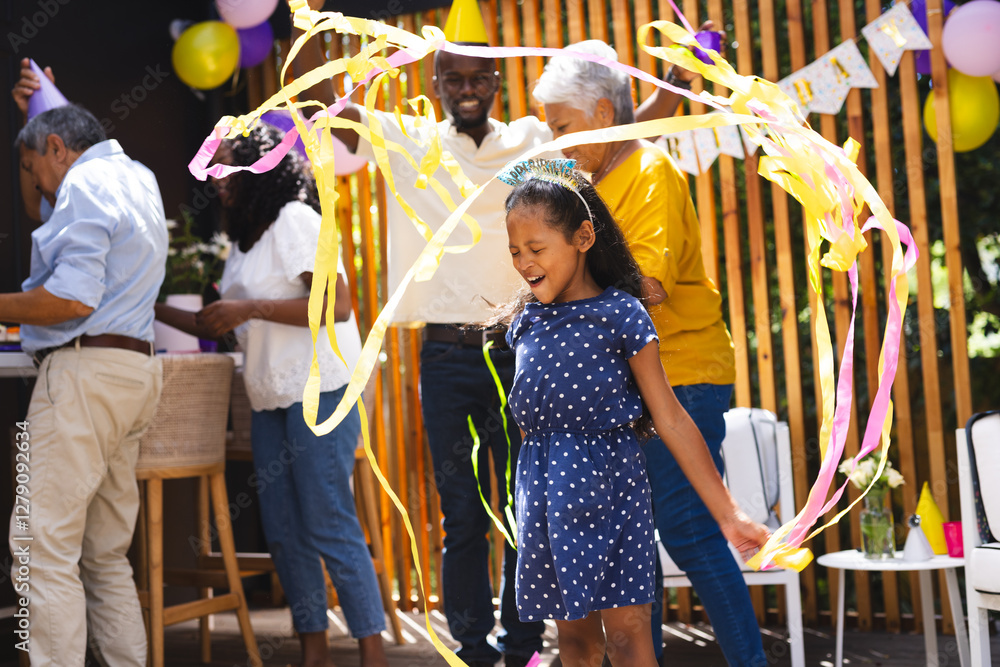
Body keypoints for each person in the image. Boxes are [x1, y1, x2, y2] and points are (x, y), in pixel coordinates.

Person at [288, 2, 701, 664]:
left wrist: (684, 77)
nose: (468, 88)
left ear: (498, 85)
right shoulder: (408, 138)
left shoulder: (535, 138)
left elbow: (624, 121)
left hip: (525, 350)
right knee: (462, 516)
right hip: (446, 353)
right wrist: (302, 28)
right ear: (436, 84)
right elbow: (328, 101)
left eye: (480, 76)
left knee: (524, 505)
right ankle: (475, 651)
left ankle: (518, 649)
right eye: (454, 78)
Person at [532, 41, 768, 666]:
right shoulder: (587, 178)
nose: (554, 142)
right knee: (633, 541)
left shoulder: (650, 170)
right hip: (628, 383)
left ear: (605, 115)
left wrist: (570, 278)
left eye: (562, 127)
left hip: (683, 373)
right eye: (548, 131)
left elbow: (650, 285)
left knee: (688, 529)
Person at [155, 124, 387, 667]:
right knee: (283, 531)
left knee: (328, 519)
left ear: (264, 168)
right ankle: (314, 652)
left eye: (229, 166)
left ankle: (372, 653)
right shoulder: (240, 245)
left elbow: (340, 306)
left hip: (320, 390)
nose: (219, 179)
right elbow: (217, 319)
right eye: (213, 169)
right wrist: (145, 308)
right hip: (267, 400)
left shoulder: (296, 221)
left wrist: (249, 309)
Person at [5, 76, 167, 665]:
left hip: (83, 374)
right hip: (135, 374)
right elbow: (40, 209)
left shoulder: (84, 182)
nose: (38, 186)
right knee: (103, 556)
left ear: (56, 148)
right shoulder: (137, 177)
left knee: (41, 548)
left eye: (34, 166)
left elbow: (72, 300)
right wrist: (43, 109)